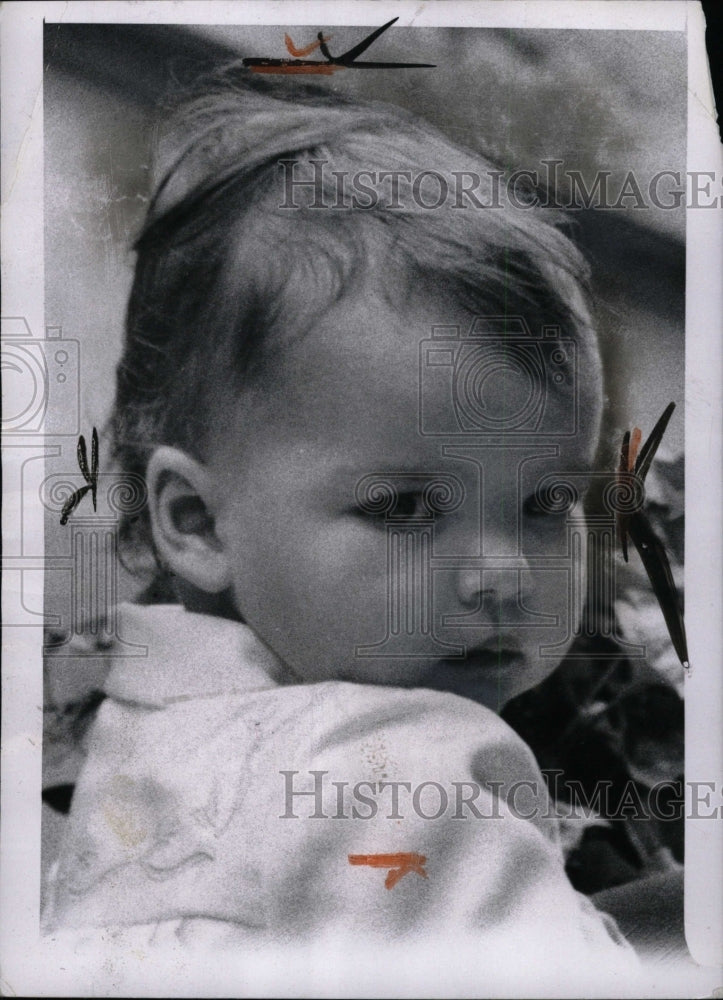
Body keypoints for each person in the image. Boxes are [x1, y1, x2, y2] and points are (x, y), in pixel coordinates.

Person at [42, 71, 639, 975]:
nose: (502, 574)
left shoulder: (130, 715)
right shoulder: (411, 768)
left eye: (545, 503)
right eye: (404, 507)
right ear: (196, 522)